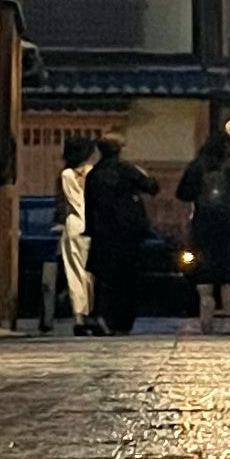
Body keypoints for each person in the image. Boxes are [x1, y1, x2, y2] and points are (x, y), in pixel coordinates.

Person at [178, 117, 230, 332]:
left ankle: (206, 308)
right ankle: (227, 314)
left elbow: (183, 193)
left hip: (204, 224)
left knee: (205, 268)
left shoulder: (197, 166)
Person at [84, 135, 157, 335]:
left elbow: (88, 207)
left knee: (104, 279)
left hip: (102, 233)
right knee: (127, 278)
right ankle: (122, 320)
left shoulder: (94, 174)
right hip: (127, 233)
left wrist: (90, 229)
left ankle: (100, 316)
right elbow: (152, 187)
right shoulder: (127, 170)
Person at [52, 135, 99, 335]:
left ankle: (79, 316)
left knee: (75, 274)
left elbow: (61, 205)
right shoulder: (95, 174)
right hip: (93, 226)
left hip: (73, 225)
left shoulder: (65, 175)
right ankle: (93, 314)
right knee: (93, 274)